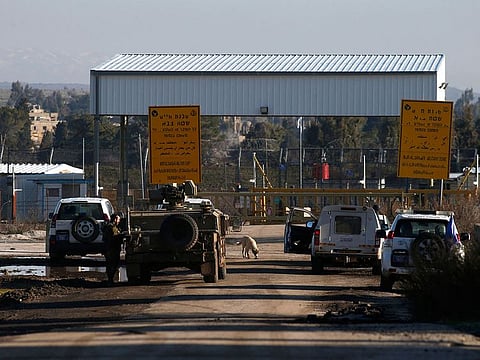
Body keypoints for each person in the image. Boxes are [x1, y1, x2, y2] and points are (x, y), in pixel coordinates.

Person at [103, 213, 123, 285]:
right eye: (118, 219)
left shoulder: (110, 227)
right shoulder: (112, 227)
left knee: (111, 264)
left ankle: (110, 279)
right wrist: (121, 236)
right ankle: (110, 280)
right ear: (115, 219)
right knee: (112, 264)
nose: (119, 221)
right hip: (112, 249)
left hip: (110, 248)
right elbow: (114, 238)